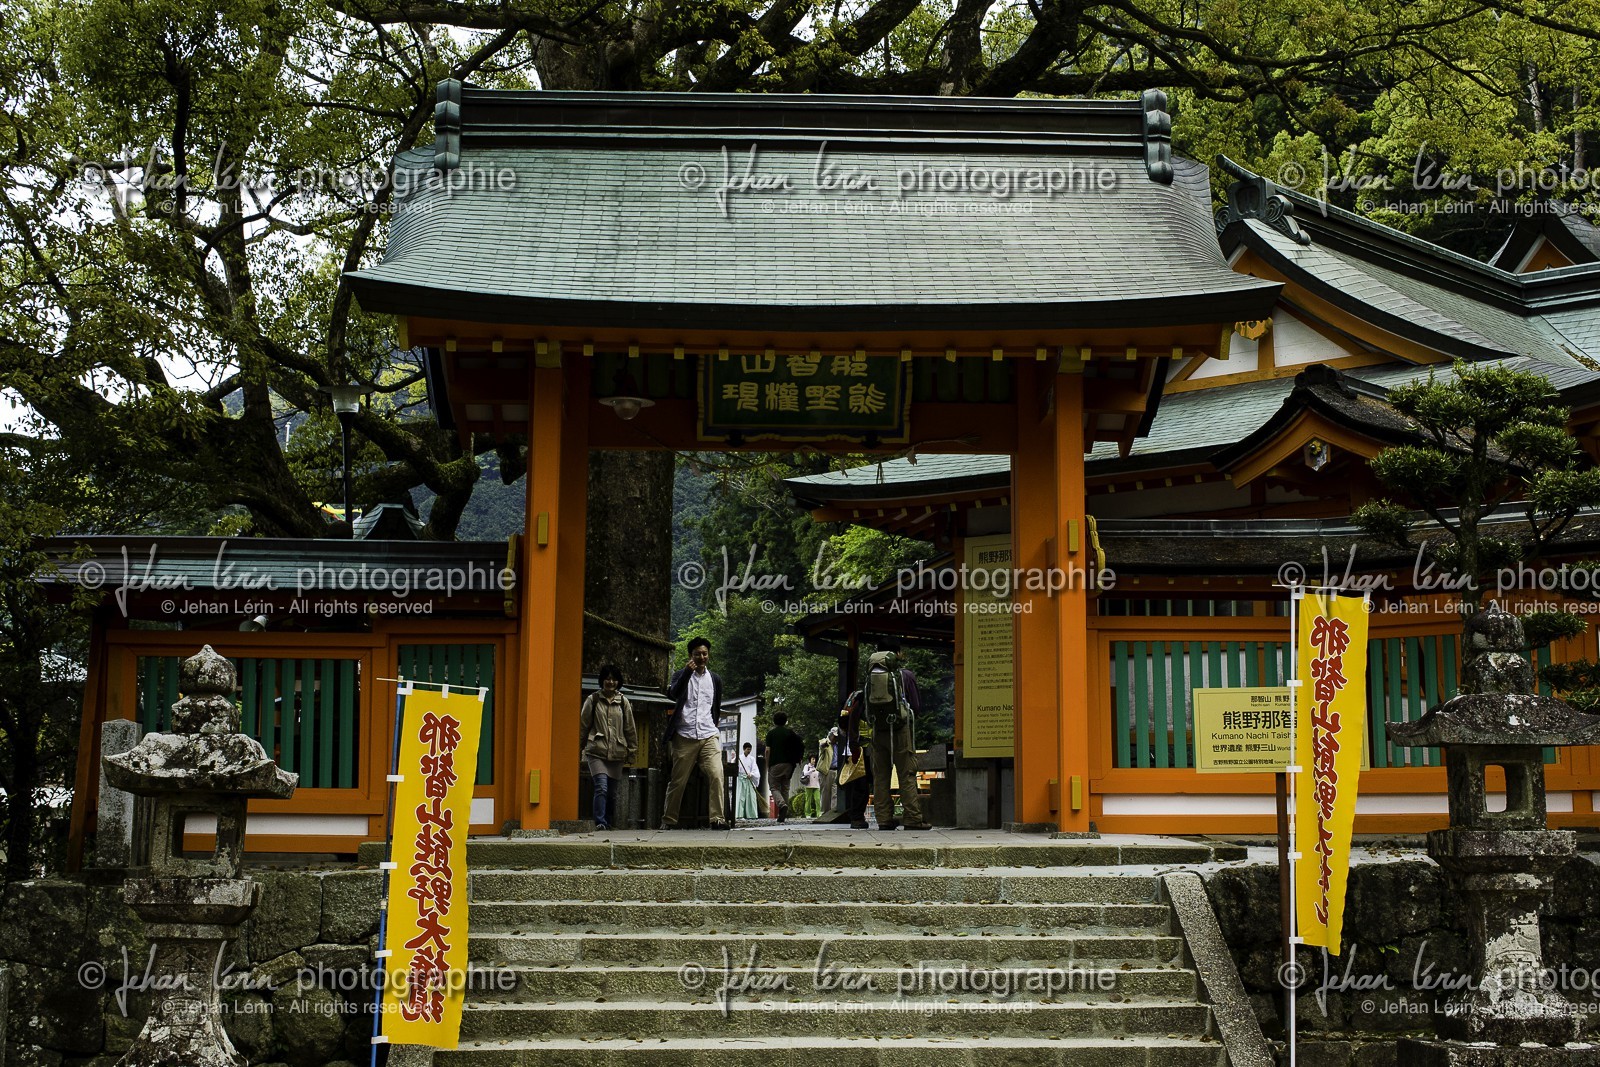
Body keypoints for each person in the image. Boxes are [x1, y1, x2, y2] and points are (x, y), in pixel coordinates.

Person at [663, 636, 728, 829]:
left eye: (705, 653)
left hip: (708, 734)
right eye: (697, 654)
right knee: (678, 781)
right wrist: (686, 673)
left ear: (708, 655)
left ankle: (717, 819)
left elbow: (714, 706)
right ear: (690, 655)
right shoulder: (680, 675)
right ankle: (669, 820)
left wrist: (713, 726)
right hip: (684, 735)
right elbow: (673, 694)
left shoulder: (715, 679)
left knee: (717, 774)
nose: (702, 657)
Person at [866, 639, 930, 830]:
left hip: (878, 731)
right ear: (896, 654)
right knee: (906, 774)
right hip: (900, 731)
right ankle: (912, 819)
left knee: (881, 777)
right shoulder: (905, 675)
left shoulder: (870, 676)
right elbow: (916, 707)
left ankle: (884, 820)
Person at [580, 664, 637, 831]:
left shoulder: (623, 702)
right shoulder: (593, 700)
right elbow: (583, 726)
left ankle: (608, 820)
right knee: (601, 787)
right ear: (602, 680)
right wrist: (579, 746)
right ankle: (600, 822)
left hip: (617, 751)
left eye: (613, 679)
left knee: (611, 793)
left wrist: (632, 751)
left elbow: (630, 728)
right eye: (607, 678)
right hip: (596, 750)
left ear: (618, 681)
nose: (610, 682)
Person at [764, 711, 804, 822]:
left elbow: (768, 750)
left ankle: (782, 805)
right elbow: (799, 745)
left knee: (774, 787)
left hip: (775, 764)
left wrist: (767, 765)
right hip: (789, 765)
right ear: (786, 721)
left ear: (774, 721)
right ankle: (784, 814)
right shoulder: (790, 733)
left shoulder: (771, 733)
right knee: (785, 788)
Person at [735, 742, 761, 820]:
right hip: (741, 779)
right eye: (747, 749)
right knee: (740, 797)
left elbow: (755, 769)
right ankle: (739, 815)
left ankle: (751, 815)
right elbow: (736, 767)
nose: (749, 751)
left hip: (749, 779)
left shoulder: (752, 759)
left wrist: (752, 774)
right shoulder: (738, 758)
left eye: (750, 749)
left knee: (750, 797)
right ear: (744, 749)